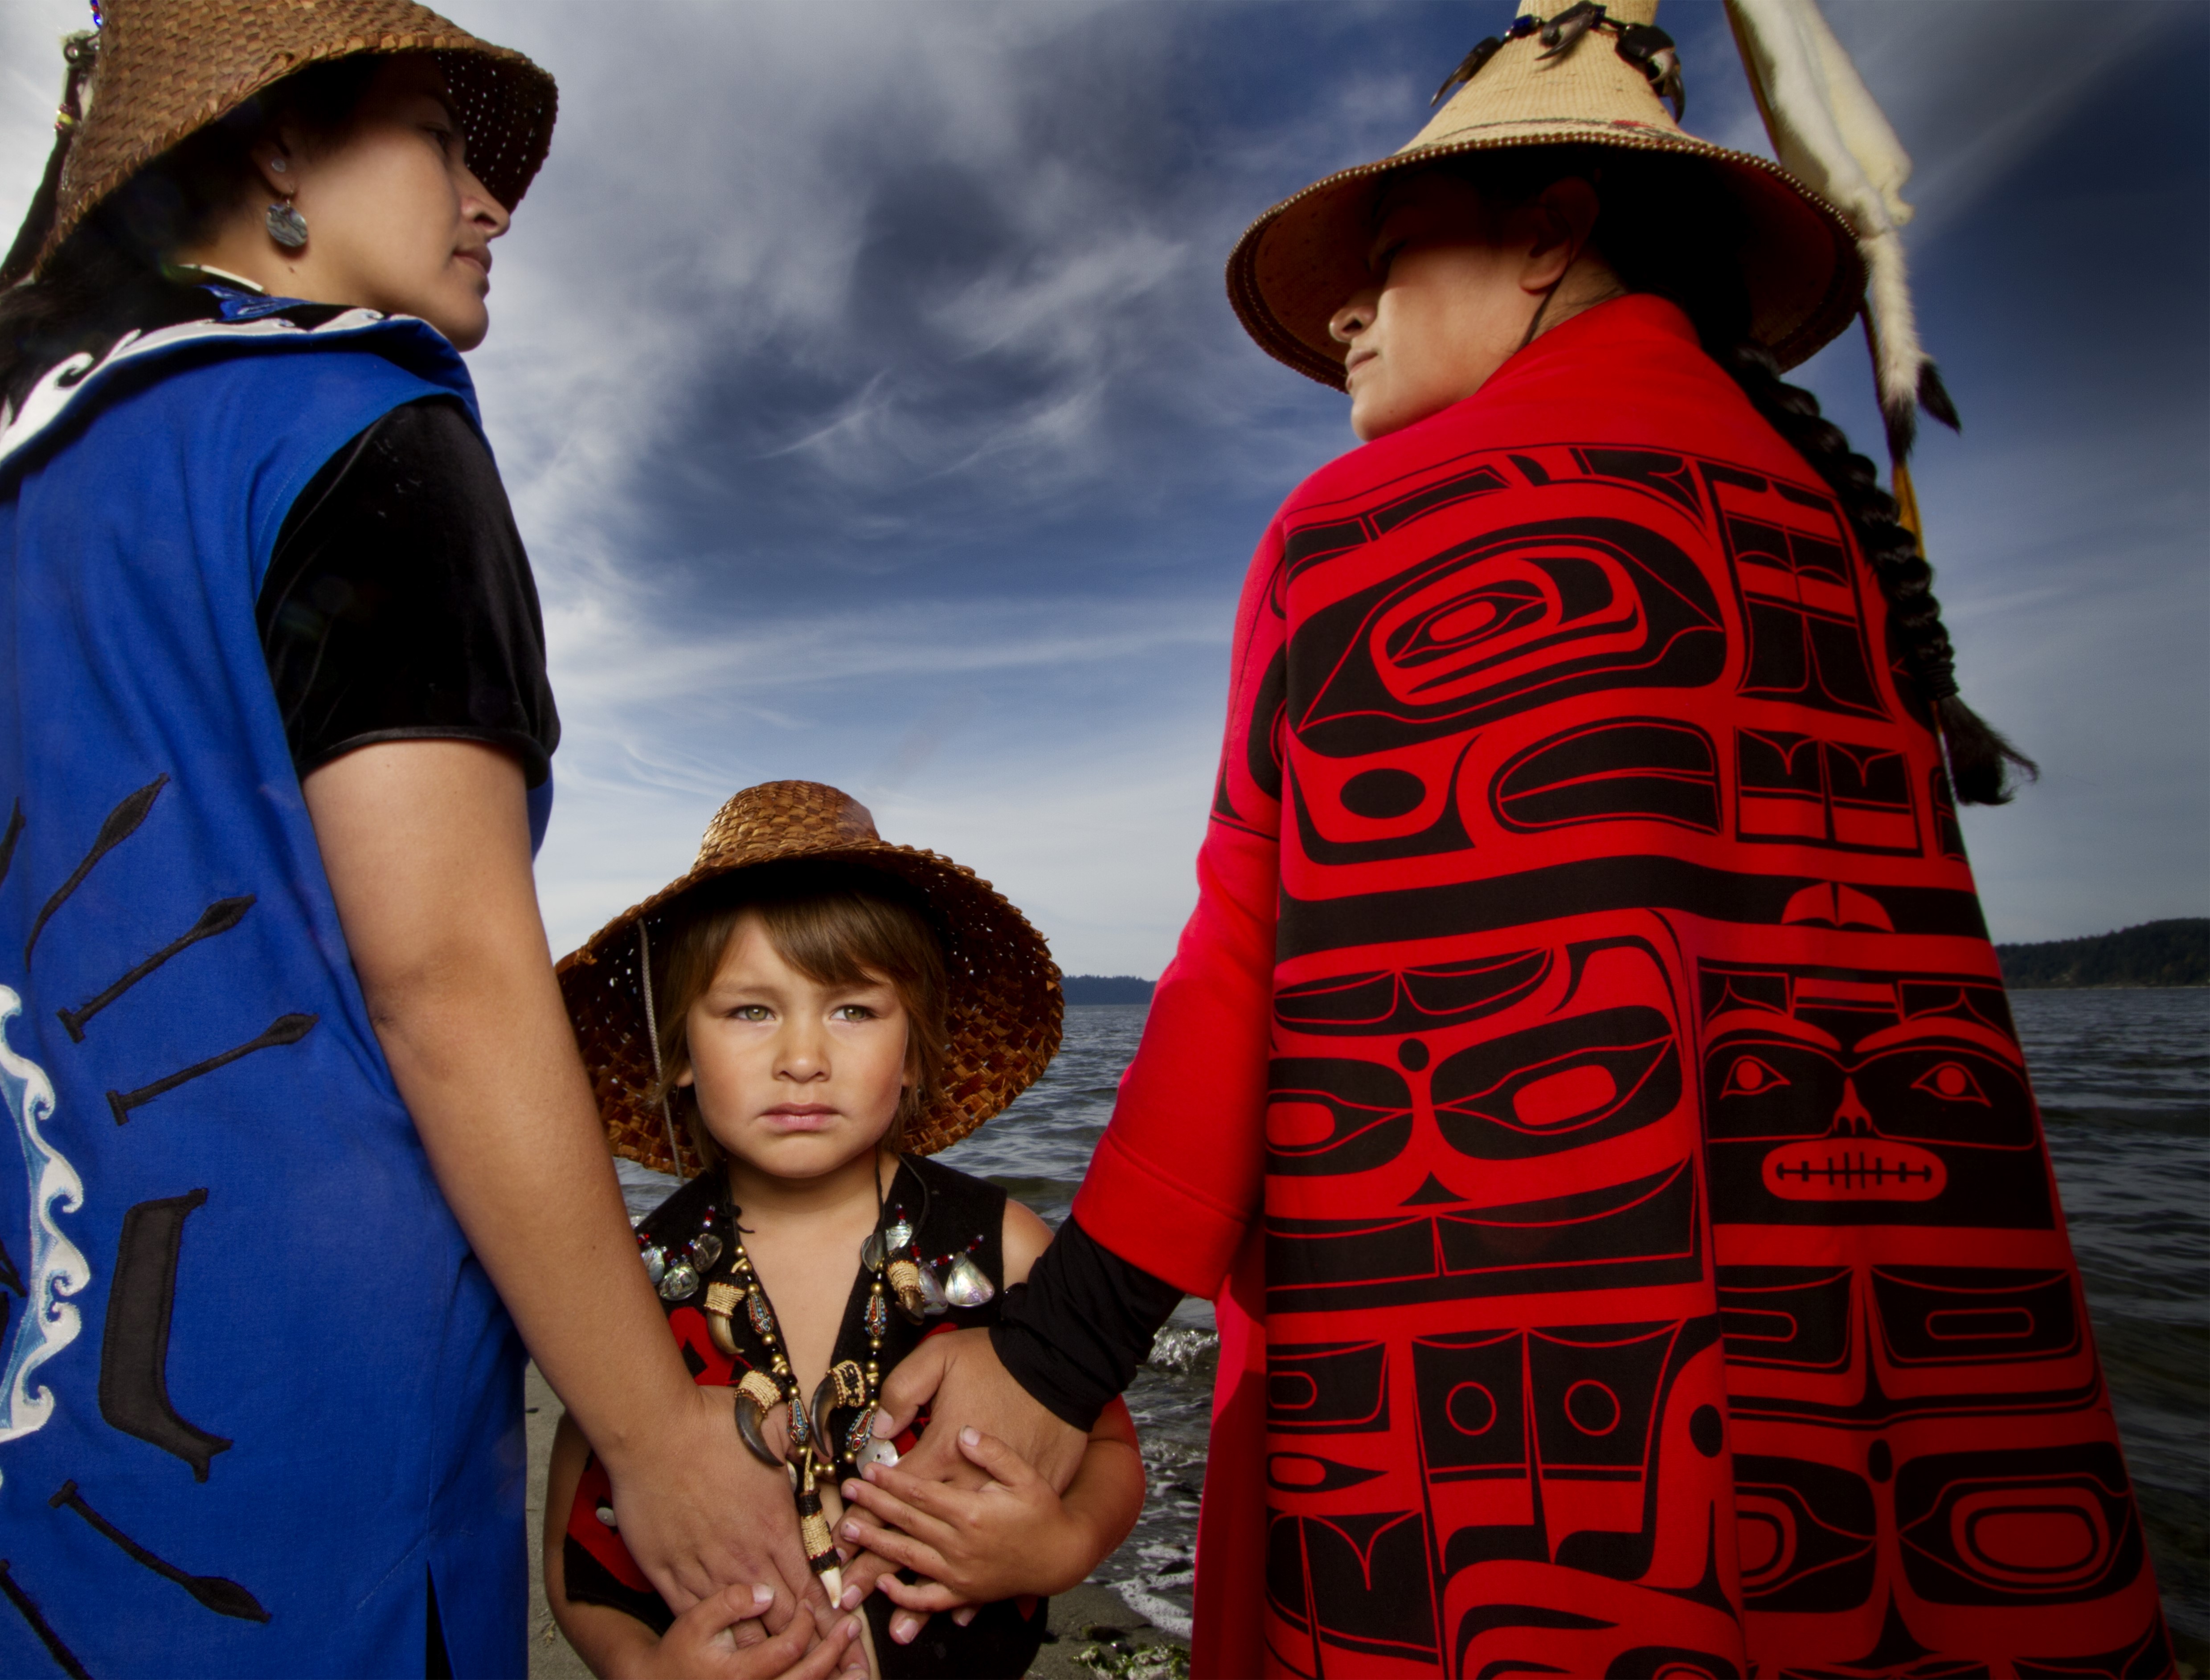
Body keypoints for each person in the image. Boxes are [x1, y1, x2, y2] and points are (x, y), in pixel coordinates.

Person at [875, 2, 2175, 1673]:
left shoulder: (1360, 526)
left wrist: (1057, 1353)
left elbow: (1241, 973)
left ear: (1554, 235)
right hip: (1895, 1437)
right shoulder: (1837, 547)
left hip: (1523, 1476)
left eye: (1393, 251)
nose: (1347, 303)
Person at [0, 6, 849, 1676]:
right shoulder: (357, 426)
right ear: (278, 146)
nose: (493, 201)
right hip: (253, 1442)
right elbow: (443, 981)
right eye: (444, 140)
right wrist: (655, 1435)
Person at [545, 782, 1144, 1675]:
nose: (801, 1056)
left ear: (914, 1050)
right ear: (678, 1051)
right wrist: (648, 1670)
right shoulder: (635, 1283)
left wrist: (1059, 1547)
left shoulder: (1005, 1245)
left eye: (853, 1009)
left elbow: (1107, 1447)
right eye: (750, 1009)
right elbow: (576, 1554)